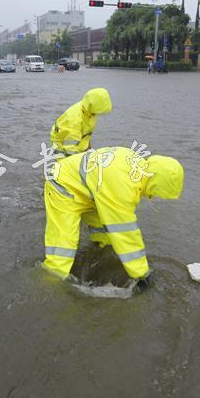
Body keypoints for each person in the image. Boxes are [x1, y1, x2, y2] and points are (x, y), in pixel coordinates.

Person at [42, 147, 184, 281]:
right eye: (158, 192)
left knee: (104, 233)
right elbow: (126, 233)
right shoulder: (124, 188)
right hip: (62, 185)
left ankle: (100, 249)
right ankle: (52, 281)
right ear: (157, 184)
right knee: (63, 245)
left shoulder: (135, 165)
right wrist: (142, 274)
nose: (155, 196)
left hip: (88, 187)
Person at [50, 88, 112, 156]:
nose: (97, 114)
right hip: (64, 149)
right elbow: (70, 149)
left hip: (79, 145)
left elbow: (86, 134)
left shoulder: (89, 111)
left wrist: (88, 149)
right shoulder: (74, 120)